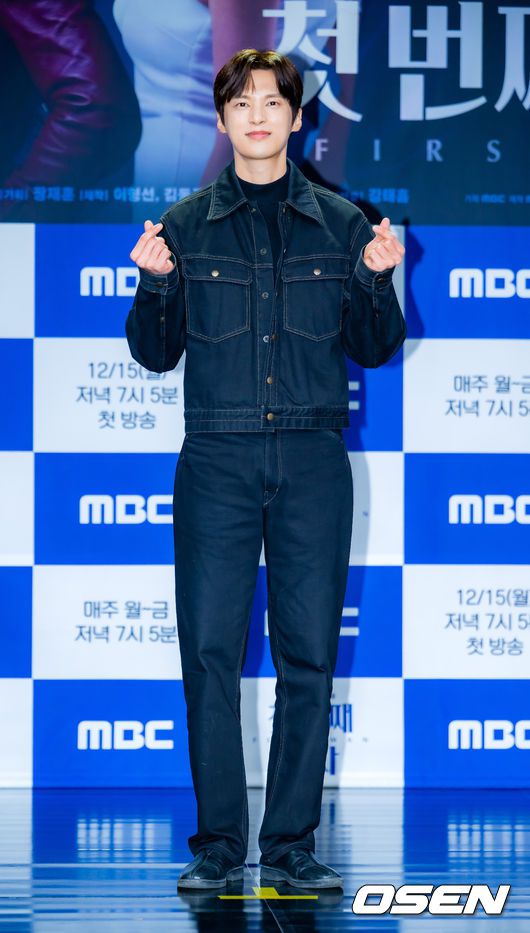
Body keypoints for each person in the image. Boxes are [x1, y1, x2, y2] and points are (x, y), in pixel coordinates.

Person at [125, 49, 406, 890]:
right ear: (222, 118)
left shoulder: (345, 224)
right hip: (217, 455)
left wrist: (378, 282)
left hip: (314, 458)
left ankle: (289, 845)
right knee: (210, 654)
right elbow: (154, 354)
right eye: (241, 102)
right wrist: (154, 287)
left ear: (296, 117)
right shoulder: (183, 226)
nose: (257, 116)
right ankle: (218, 843)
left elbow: (375, 348)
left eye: (272, 102)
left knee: (308, 658)